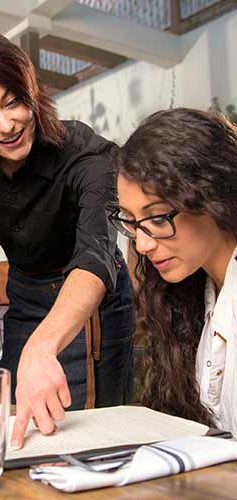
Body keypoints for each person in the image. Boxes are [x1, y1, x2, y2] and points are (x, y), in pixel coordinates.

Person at [0, 30, 135, 448]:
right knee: (17, 425)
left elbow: (97, 253)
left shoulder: (85, 154)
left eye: (12, 102)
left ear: (31, 90)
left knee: (92, 432)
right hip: (25, 298)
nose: (6, 126)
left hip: (92, 300)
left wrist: (42, 348)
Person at [110, 107, 237, 435]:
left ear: (214, 197)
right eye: (132, 222)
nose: (142, 245)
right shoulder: (196, 295)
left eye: (158, 218)